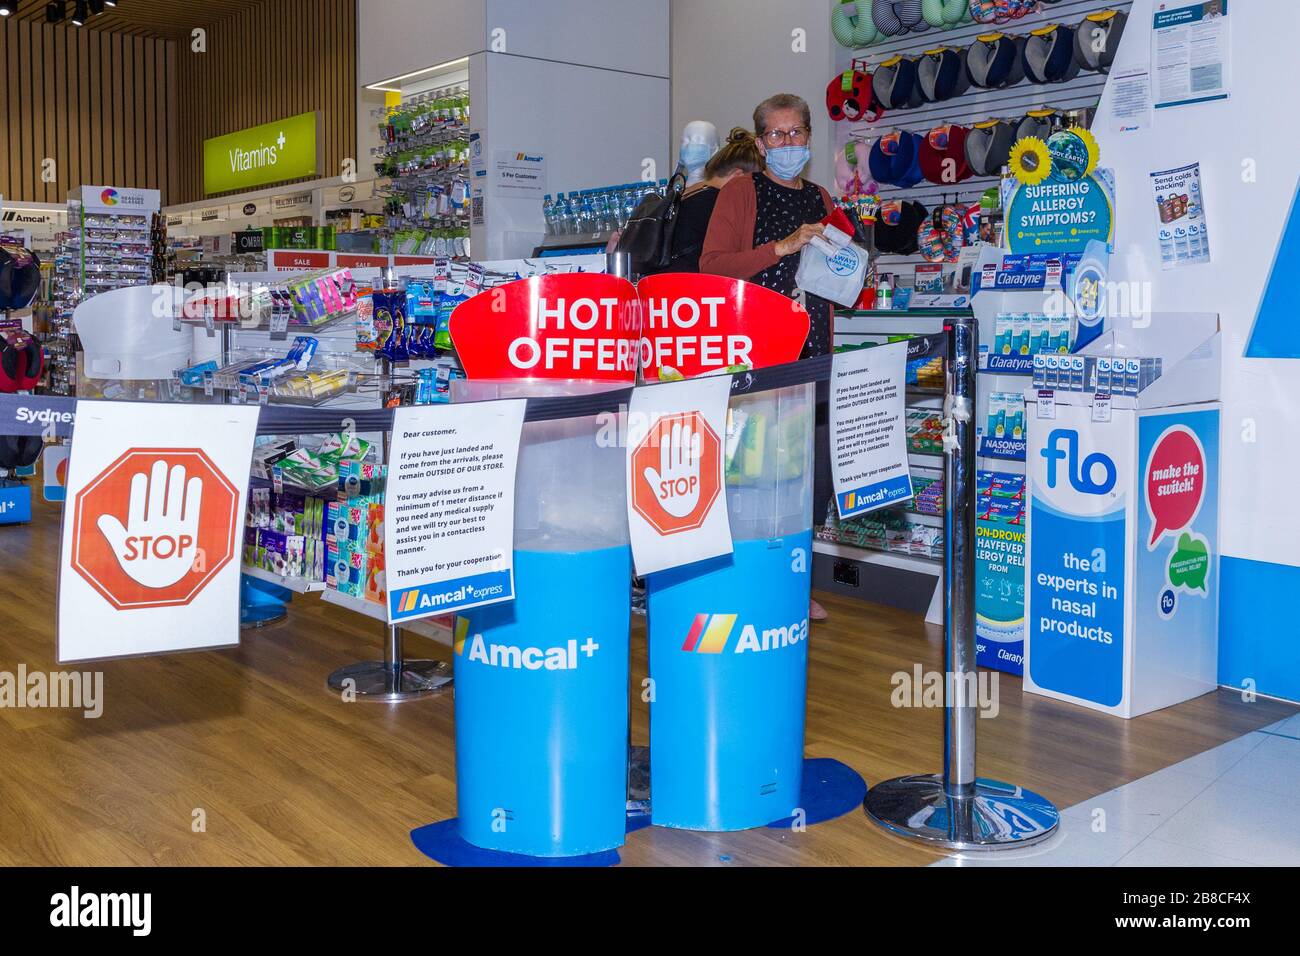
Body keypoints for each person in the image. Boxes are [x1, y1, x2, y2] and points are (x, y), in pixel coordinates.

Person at [700, 93, 836, 621]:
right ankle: (747, 581)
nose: (787, 144)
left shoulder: (822, 196)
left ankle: (794, 584)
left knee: (809, 474)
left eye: (796, 133)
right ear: (760, 145)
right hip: (754, 359)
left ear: (807, 137)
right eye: (776, 136)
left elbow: (836, 278)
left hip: (814, 353)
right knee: (754, 473)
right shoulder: (741, 191)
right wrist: (779, 248)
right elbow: (711, 268)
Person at [646, 127, 765, 274]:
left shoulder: (685, 194)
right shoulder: (717, 204)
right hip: (689, 289)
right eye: (756, 184)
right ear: (738, 176)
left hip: (658, 284)